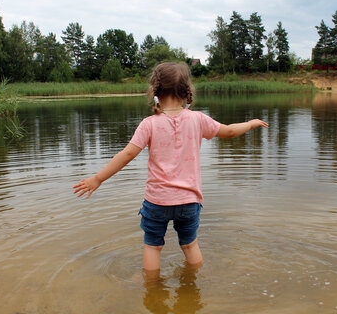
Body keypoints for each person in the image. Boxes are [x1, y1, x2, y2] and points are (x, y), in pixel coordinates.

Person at [73, 62, 268, 272]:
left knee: (153, 246)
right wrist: (250, 123)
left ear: (155, 90)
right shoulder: (198, 119)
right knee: (190, 244)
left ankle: (151, 289)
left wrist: (98, 178)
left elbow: (127, 154)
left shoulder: (149, 123)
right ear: (186, 91)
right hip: (189, 201)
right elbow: (229, 131)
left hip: (157, 201)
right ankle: (193, 283)